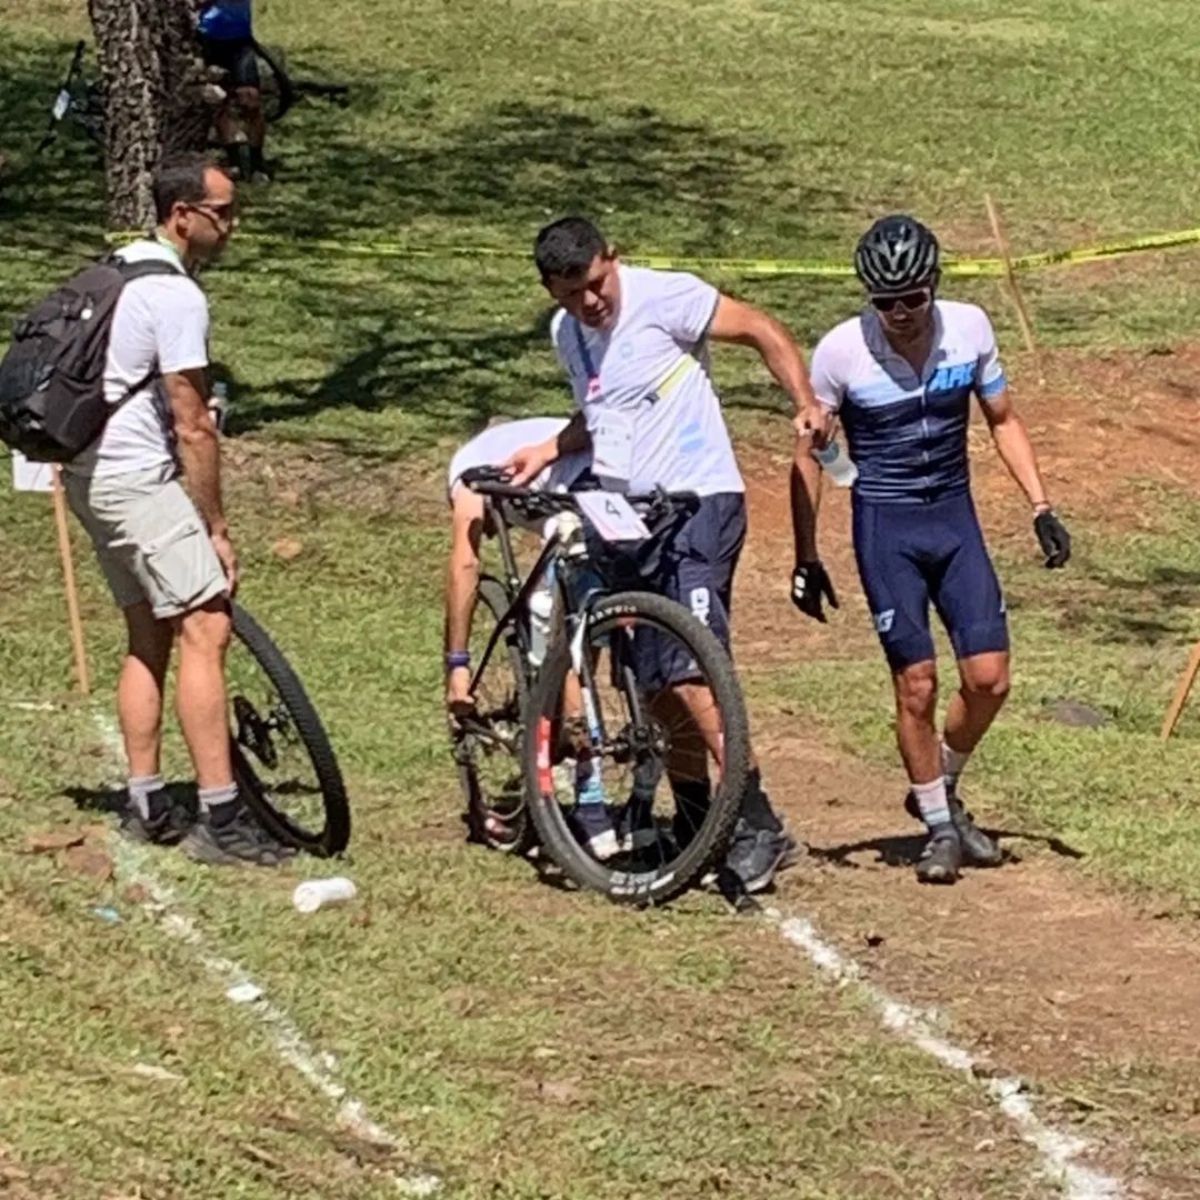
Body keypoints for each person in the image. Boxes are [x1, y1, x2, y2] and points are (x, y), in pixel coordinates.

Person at [505, 216, 819, 893]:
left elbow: (762, 328)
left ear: (612, 259)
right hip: (628, 516)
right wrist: (550, 449)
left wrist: (804, 401)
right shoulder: (568, 336)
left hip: (699, 502)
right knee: (648, 679)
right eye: (570, 295)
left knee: (690, 665)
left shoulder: (665, 298)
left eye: (595, 285)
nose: (589, 304)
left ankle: (758, 819)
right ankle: (700, 819)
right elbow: (601, 417)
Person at [791, 214, 1071, 884]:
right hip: (887, 527)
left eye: (912, 298)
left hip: (954, 520)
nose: (901, 314)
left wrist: (1041, 506)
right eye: (885, 302)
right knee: (917, 685)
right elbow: (813, 454)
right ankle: (941, 828)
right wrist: (806, 555)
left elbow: (1003, 418)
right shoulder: (839, 352)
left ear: (934, 285)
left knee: (989, 679)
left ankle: (936, 787)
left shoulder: (970, 329)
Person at [63, 153, 287, 867]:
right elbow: (194, 424)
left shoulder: (113, 265)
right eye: (221, 213)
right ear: (181, 214)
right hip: (136, 480)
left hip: (86, 476)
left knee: (147, 633)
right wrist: (215, 528)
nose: (233, 225)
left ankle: (146, 798)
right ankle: (220, 817)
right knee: (205, 624)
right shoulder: (178, 297)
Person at [197, 1, 269, 183]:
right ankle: (234, 162)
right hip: (209, 37)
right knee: (222, 100)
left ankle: (257, 164)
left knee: (251, 99)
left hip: (240, 39)